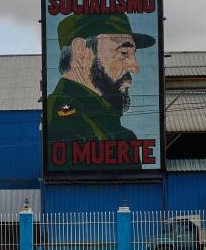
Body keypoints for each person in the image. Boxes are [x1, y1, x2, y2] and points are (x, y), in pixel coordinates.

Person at [45, 13, 156, 167]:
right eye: (124, 53)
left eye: (133, 55)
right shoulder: (65, 123)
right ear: (80, 50)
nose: (135, 68)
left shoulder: (114, 129)